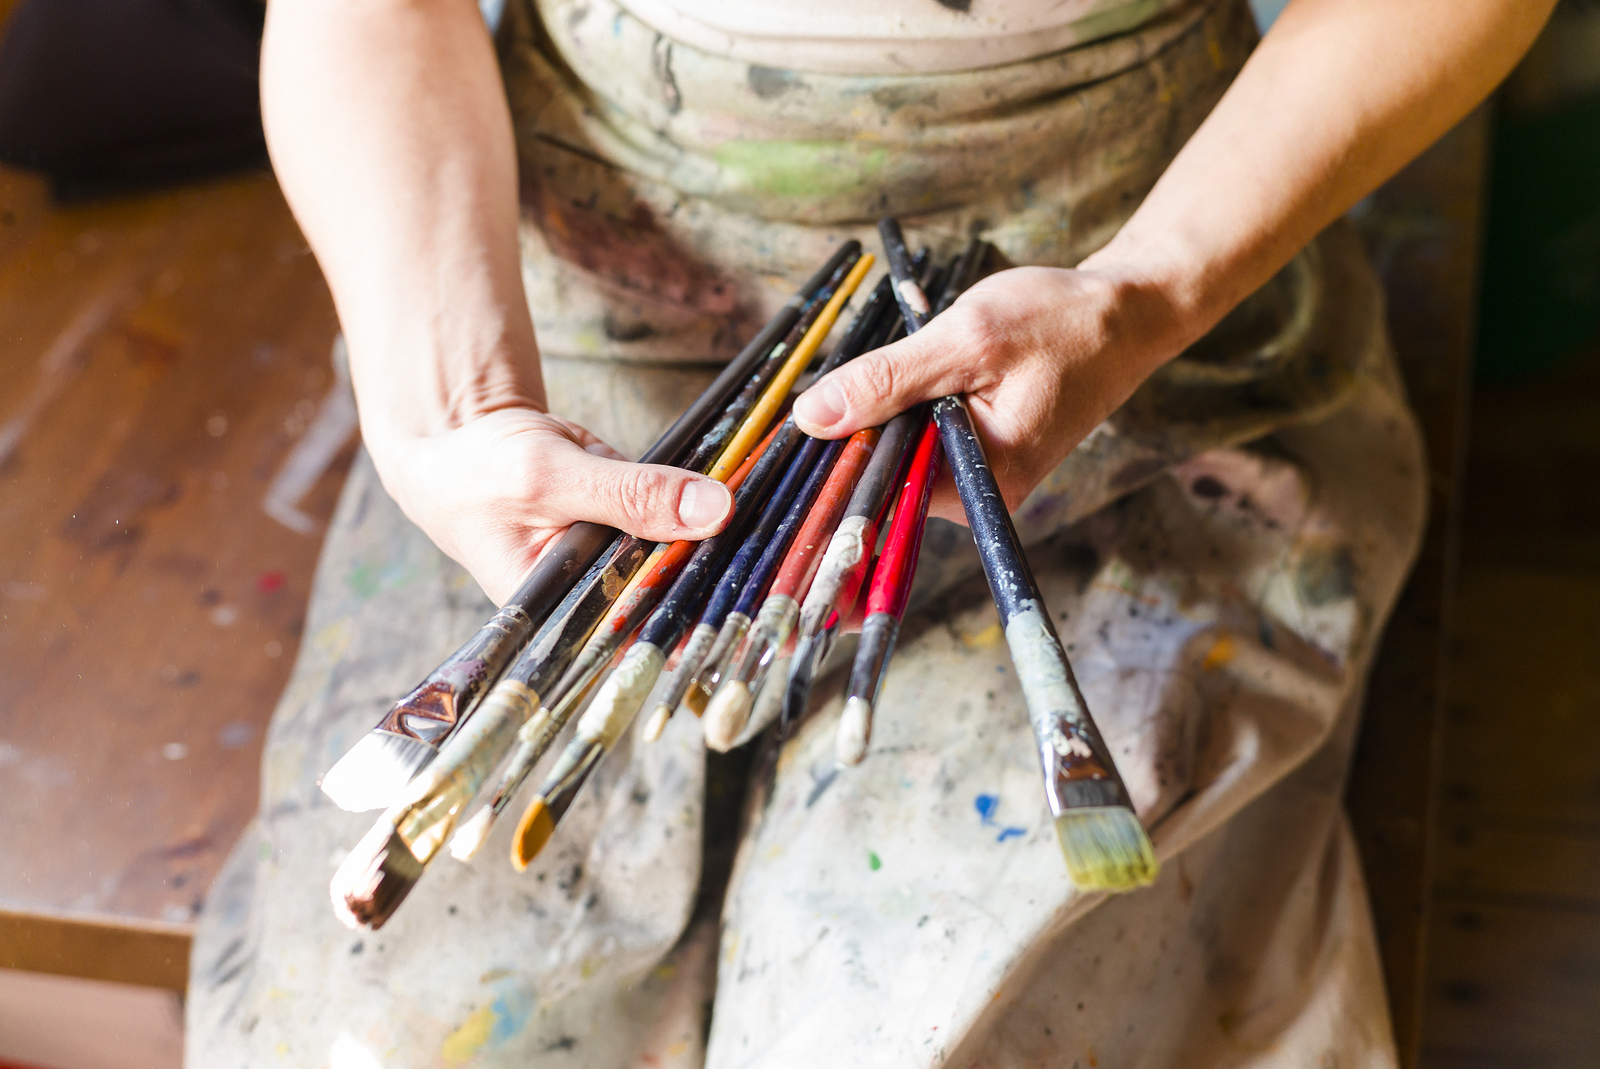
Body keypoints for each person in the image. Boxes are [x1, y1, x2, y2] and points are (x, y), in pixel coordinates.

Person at [185, 1, 1553, 1066]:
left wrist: (1143, 290)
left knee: (971, 1013)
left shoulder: (1134, 305)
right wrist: (456, 404)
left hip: (1129, 335)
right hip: (559, 387)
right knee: (403, 1020)